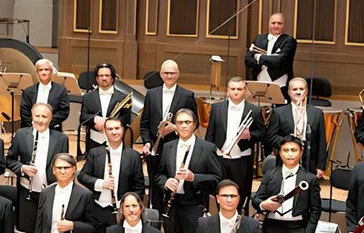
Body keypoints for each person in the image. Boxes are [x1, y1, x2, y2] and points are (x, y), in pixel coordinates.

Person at [154, 108, 224, 233]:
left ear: (194, 125)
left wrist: (195, 178)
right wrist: (166, 182)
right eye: (180, 122)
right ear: (175, 126)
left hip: (195, 205)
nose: (183, 126)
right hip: (173, 206)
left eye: (187, 122)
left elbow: (218, 178)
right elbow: (158, 175)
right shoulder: (168, 146)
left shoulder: (207, 148)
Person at [6, 102, 70, 233]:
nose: (40, 120)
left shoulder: (61, 139)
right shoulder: (21, 134)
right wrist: (22, 168)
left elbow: (65, 166)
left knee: (49, 231)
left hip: (51, 192)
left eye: (44, 117)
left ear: (50, 118)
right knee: (27, 230)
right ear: (32, 116)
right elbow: (9, 160)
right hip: (27, 192)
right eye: (37, 116)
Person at [205, 79, 266, 212]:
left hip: (241, 159)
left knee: (240, 191)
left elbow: (262, 133)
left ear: (245, 91)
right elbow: (210, 134)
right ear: (227, 91)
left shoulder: (254, 110)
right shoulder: (217, 108)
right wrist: (208, 157)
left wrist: (249, 135)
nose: (236, 92)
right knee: (219, 190)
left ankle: (237, 217)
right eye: (233, 89)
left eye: (239, 89)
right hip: (220, 158)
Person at [139, 59, 198, 193]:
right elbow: (144, 124)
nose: (169, 76)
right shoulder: (151, 94)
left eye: (172, 73)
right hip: (155, 148)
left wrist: (176, 127)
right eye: (166, 73)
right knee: (154, 184)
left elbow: (195, 123)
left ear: (178, 74)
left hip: (176, 147)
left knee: (173, 183)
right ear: (161, 74)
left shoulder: (187, 95)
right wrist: (147, 142)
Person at [77, 117, 145, 233]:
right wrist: (101, 183)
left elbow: (139, 187)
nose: (114, 132)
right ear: (104, 131)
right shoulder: (95, 153)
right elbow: (82, 176)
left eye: (117, 128)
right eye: (110, 129)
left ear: (123, 130)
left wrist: (131, 208)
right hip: (98, 209)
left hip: (123, 212)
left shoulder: (133, 156)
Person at [265, 79, 327, 178]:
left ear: (306, 91)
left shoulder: (317, 113)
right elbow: (271, 137)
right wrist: (287, 142)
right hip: (286, 160)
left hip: (309, 162)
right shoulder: (279, 112)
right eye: (294, 89)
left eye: (301, 89)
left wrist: (321, 166)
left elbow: (322, 142)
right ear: (289, 92)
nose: (298, 92)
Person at [80, 63, 133, 152]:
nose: (104, 78)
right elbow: (83, 117)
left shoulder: (123, 97)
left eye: (107, 75)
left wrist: (110, 123)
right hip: (94, 141)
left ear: (112, 78)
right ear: (97, 78)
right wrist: (95, 119)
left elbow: (126, 119)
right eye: (101, 76)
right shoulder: (88, 97)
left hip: (116, 140)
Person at [245, 10, 297, 95]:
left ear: (283, 26)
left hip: (279, 81)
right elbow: (247, 60)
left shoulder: (289, 40)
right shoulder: (259, 38)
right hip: (259, 78)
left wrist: (259, 57)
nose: (276, 25)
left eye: (279, 23)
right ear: (268, 25)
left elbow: (279, 60)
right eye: (273, 23)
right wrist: (265, 61)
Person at [19, 58, 69, 130]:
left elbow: (64, 111)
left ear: (51, 72)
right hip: (31, 128)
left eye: (46, 69)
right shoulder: (28, 91)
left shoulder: (61, 90)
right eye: (40, 70)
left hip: (52, 128)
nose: (43, 72)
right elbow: (24, 112)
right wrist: (34, 124)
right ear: (37, 73)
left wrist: (47, 123)